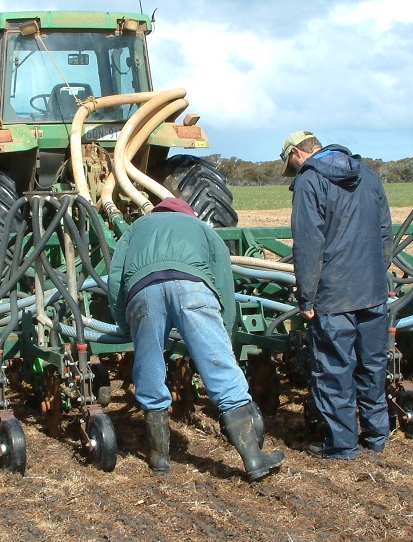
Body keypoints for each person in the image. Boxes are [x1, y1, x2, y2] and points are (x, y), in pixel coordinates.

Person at [108, 197, 285, 481]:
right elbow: (224, 282)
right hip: (194, 289)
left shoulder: (136, 228)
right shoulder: (202, 228)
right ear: (187, 213)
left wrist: (124, 323)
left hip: (144, 291)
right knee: (220, 370)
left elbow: (115, 278)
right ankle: (254, 459)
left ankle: (159, 460)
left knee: (150, 370)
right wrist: (224, 333)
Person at [282, 131, 393, 460]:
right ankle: (376, 437)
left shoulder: (309, 181)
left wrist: (307, 297)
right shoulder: (368, 172)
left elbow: (308, 242)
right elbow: (386, 231)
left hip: (333, 297)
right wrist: (375, 273)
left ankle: (342, 446)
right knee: (373, 365)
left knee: (334, 370)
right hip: (373, 291)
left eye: (290, 162)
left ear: (299, 153)